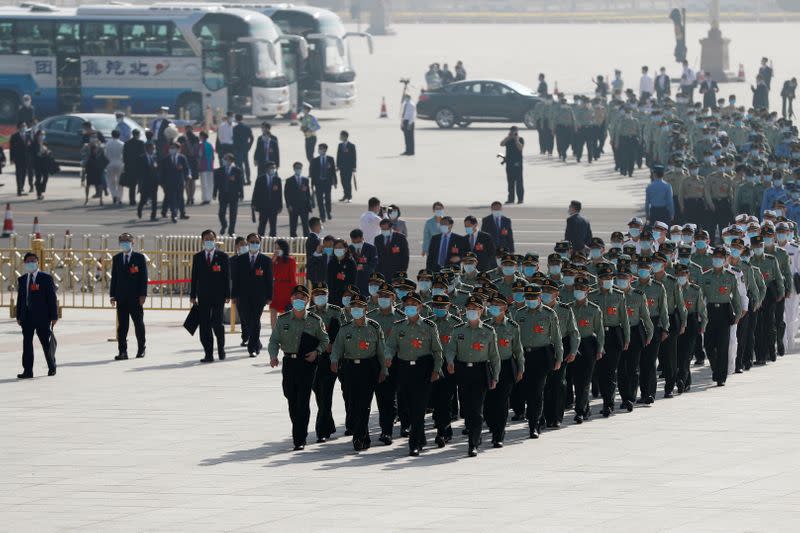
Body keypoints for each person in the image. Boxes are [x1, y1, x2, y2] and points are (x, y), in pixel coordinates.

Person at [268, 285, 330, 451]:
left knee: (303, 399)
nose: (299, 300)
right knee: (290, 397)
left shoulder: (315, 320)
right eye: (296, 297)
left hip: (307, 364)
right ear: (291, 300)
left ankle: (299, 438)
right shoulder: (283, 320)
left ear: (307, 300)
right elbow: (274, 341)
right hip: (289, 363)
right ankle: (298, 426)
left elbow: (325, 341)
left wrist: (317, 352)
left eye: (302, 298)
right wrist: (273, 356)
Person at [385, 292, 444, 456]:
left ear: (420, 306)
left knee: (419, 407)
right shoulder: (399, 326)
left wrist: (436, 370)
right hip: (404, 369)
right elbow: (390, 345)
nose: (410, 306)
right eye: (407, 304)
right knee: (409, 408)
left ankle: (414, 443)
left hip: (423, 369)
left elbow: (437, 351)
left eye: (413, 303)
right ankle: (421, 436)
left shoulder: (429, 326)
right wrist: (388, 356)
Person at [330, 293, 388, 451]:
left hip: (368, 368)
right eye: (353, 306)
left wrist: (384, 369)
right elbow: (337, 347)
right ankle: (363, 436)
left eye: (359, 307)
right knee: (353, 404)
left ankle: (358, 437)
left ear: (365, 308)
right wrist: (334, 360)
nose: (356, 309)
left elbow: (381, 351)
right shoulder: (345, 329)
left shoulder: (374, 327)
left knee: (365, 404)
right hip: (350, 369)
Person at [445, 296, 499, 457]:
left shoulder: (488, 331)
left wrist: (495, 376)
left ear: (481, 311)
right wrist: (450, 361)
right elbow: (450, 349)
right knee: (467, 407)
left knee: (476, 409)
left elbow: (494, 356)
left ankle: (473, 443)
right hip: (462, 371)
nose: (471, 312)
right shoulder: (458, 330)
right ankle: (474, 431)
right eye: (469, 309)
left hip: (480, 371)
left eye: (475, 309)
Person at [482, 295, 523, 447]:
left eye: (498, 305)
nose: (494, 307)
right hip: (488, 367)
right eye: (492, 304)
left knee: (501, 401)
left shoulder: (512, 326)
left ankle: (498, 434)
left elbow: (518, 350)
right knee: (488, 402)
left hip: (506, 366)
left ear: (505, 308)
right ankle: (493, 427)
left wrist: (520, 368)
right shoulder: (485, 325)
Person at [308, 282, 345, 442]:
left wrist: (334, 347)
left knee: (326, 392)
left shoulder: (336, 312)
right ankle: (328, 423)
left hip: (330, 357)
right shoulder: (308, 313)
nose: (320, 297)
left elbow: (344, 332)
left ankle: (321, 430)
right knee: (318, 391)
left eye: (323, 293)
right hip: (314, 358)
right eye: (317, 294)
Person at [700, 247, 741, 386]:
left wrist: (738, 313)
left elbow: (735, 297)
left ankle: (721, 377)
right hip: (710, 311)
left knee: (723, 346)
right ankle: (715, 367)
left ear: (724, 260)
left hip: (724, 312)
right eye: (715, 256)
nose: (717, 259)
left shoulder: (730, 277)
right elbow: (701, 298)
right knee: (708, 345)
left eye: (720, 257)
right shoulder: (705, 276)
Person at [190, 230, 230, 362]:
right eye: (206, 239)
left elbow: (226, 277)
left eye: (211, 239)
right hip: (203, 296)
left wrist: (227, 294)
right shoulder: (198, 257)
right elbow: (194, 278)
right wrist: (193, 295)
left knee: (217, 323)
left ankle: (221, 348)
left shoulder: (223, 257)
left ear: (215, 240)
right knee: (204, 325)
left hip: (218, 296)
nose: (209, 241)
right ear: (202, 241)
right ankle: (208, 353)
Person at [16, 252, 58, 379]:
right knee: (27, 344)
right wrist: (18, 316)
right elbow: (20, 299)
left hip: (42, 317)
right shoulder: (22, 279)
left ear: (37, 262)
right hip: (26, 317)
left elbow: (52, 298)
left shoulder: (46, 278)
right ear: (25, 263)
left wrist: (54, 316)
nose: (31, 263)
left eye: (33, 261)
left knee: (46, 343)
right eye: (28, 261)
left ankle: (52, 366)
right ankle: (27, 371)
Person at [232, 233, 273, 357]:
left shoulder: (265, 260)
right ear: (248, 243)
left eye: (257, 242)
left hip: (259, 297)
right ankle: (257, 342)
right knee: (248, 321)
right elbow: (236, 279)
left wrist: (269, 297)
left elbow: (269, 280)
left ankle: (252, 348)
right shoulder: (240, 259)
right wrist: (233, 295)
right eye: (252, 242)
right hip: (243, 296)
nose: (254, 244)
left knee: (255, 320)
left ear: (260, 243)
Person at [109, 233, 148, 360]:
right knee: (122, 327)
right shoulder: (117, 258)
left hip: (136, 298)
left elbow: (143, 278)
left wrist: (143, 294)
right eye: (122, 241)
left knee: (138, 324)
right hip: (121, 297)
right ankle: (122, 352)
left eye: (127, 240)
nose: (125, 243)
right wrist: (112, 295)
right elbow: (114, 278)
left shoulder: (139, 258)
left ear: (133, 242)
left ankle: (141, 349)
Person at [251, 160, 283, 237]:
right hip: (263, 207)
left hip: (273, 207)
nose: (273, 169)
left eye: (274, 168)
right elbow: (256, 192)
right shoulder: (260, 179)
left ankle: (272, 243)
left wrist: (280, 206)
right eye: (271, 168)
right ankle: (259, 241)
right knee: (262, 226)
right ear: (267, 169)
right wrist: (253, 204)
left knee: (273, 227)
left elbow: (279, 194)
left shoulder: (277, 180)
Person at [269, 239, 297, 326]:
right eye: (275, 248)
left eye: (279, 248)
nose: (277, 250)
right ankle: (273, 333)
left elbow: (293, 278)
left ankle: (283, 333)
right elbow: (270, 273)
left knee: (284, 312)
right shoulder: (275, 260)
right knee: (273, 309)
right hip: (276, 288)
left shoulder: (290, 260)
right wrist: (272, 261)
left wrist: (295, 293)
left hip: (286, 289)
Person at [160, 142, 190, 223]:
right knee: (172, 199)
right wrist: (162, 183)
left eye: (174, 148)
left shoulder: (182, 158)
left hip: (179, 181)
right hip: (169, 182)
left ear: (178, 149)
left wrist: (186, 175)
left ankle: (182, 213)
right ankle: (174, 215)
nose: (172, 150)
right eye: (171, 148)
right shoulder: (165, 159)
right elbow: (162, 172)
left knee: (180, 198)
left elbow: (186, 169)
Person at [309, 143, 337, 222]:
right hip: (318, 183)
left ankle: (328, 212)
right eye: (319, 149)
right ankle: (322, 215)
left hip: (327, 182)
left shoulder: (330, 159)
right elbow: (312, 173)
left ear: (325, 149)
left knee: (328, 199)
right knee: (320, 200)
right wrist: (312, 184)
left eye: (321, 149)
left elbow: (333, 171)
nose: (320, 150)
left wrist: (335, 182)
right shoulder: (315, 160)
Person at [284, 161, 312, 237]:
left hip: (304, 206)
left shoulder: (305, 180)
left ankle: (306, 240)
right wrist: (288, 205)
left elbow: (308, 193)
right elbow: (286, 194)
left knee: (305, 226)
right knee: (293, 225)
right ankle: (293, 240)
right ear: (294, 169)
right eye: (297, 168)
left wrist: (309, 205)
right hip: (293, 206)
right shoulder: (289, 180)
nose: (298, 169)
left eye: (299, 168)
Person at [327, 239, 357, 306]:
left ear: (346, 249)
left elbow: (353, 280)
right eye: (336, 247)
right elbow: (328, 279)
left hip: (346, 296)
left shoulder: (351, 262)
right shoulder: (331, 262)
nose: (337, 249)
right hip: (333, 296)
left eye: (340, 247)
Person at [500, 126, 525, 204]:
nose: (513, 133)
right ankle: (511, 199)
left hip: (517, 163)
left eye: (514, 131)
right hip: (509, 163)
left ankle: (520, 199)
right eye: (512, 131)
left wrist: (516, 140)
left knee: (519, 182)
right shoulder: (508, 139)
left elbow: (520, 148)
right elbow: (501, 144)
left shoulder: (520, 139)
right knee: (510, 182)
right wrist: (508, 137)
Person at [349, 228, 377, 295]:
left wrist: (363, 267)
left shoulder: (371, 248)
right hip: (352, 281)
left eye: (357, 241)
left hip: (366, 280)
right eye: (353, 242)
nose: (355, 243)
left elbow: (374, 264)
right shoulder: (348, 248)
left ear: (362, 238)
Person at [122, 129, 146, 206]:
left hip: (130, 166)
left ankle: (132, 200)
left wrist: (126, 165)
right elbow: (143, 155)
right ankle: (143, 200)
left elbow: (124, 156)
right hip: (139, 166)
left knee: (132, 185)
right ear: (138, 134)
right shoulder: (141, 143)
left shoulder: (127, 143)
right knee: (141, 184)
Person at [137, 142, 159, 221]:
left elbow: (157, 169)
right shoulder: (142, 157)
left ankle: (153, 215)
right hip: (145, 181)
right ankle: (139, 209)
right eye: (152, 148)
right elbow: (140, 171)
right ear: (148, 149)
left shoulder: (155, 157)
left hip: (154, 181)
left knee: (154, 199)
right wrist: (140, 182)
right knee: (144, 199)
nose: (154, 150)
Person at [84, 139, 108, 206]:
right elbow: (85, 161)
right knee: (88, 185)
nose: (95, 149)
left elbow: (106, 161)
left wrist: (102, 167)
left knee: (100, 185)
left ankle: (101, 200)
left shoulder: (101, 151)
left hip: (98, 171)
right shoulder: (88, 151)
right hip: (90, 170)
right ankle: (86, 199)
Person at [31, 130, 54, 200]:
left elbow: (50, 151)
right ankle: (39, 194)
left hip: (45, 163)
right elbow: (32, 153)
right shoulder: (34, 144)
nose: (42, 136)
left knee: (46, 177)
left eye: (43, 135)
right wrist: (38, 154)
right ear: (37, 136)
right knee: (38, 178)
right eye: (41, 135)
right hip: (37, 163)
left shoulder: (45, 143)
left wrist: (48, 152)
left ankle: (41, 188)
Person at [181, 125, 200, 206]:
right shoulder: (196, 139)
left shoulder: (184, 139)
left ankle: (189, 197)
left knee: (188, 181)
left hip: (187, 161)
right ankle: (191, 197)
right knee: (192, 181)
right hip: (194, 161)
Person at [105, 129, 125, 205]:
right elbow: (124, 154)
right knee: (120, 182)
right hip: (120, 163)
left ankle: (114, 195)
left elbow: (105, 154)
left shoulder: (108, 143)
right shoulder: (122, 144)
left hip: (110, 163)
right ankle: (119, 197)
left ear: (112, 135)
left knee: (111, 181)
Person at [232, 113, 254, 185]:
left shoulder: (235, 128)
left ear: (236, 119)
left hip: (238, 149)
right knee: (246, 164)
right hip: (245, 148)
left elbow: (234, 140)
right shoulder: (247, 127)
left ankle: (242, 180)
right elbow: (252, 138)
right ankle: (248, 179)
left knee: (240, 165)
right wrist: (249, 146)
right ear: (242, 118)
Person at [336, 130, 357, 203]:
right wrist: (337, 166)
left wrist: (354, 167)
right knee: (343, 181)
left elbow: (354, 157)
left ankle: (349, 196)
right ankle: (345, 195)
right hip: (342, 167)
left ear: (345, 136)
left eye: (341, 136)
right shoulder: (340, 145)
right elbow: (338, 156)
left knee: (348, 182)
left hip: (349, 167)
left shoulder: (351, 146)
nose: (340, 137)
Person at [10, 121, 29, 196]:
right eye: (22, 126)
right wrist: (11, 159)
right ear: (18, 128)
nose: (24, 127)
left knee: (24, 173)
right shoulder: (14, 136)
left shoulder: (28, 136)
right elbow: (12, 148)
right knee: (18, 174)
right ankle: (19, 190)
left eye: (25, 126)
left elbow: (30, 147)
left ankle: (21, 187)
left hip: (26, 158)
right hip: (18, 158)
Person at [198, 131, 215, 205]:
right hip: (210, 166)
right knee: (210, 183)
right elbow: (213, 156)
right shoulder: (210, 145)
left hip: (203, 166)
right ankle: (209, 197)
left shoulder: (201, 146)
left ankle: (205, 198)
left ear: (202, 137)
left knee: (204, 183)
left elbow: (200, 156)